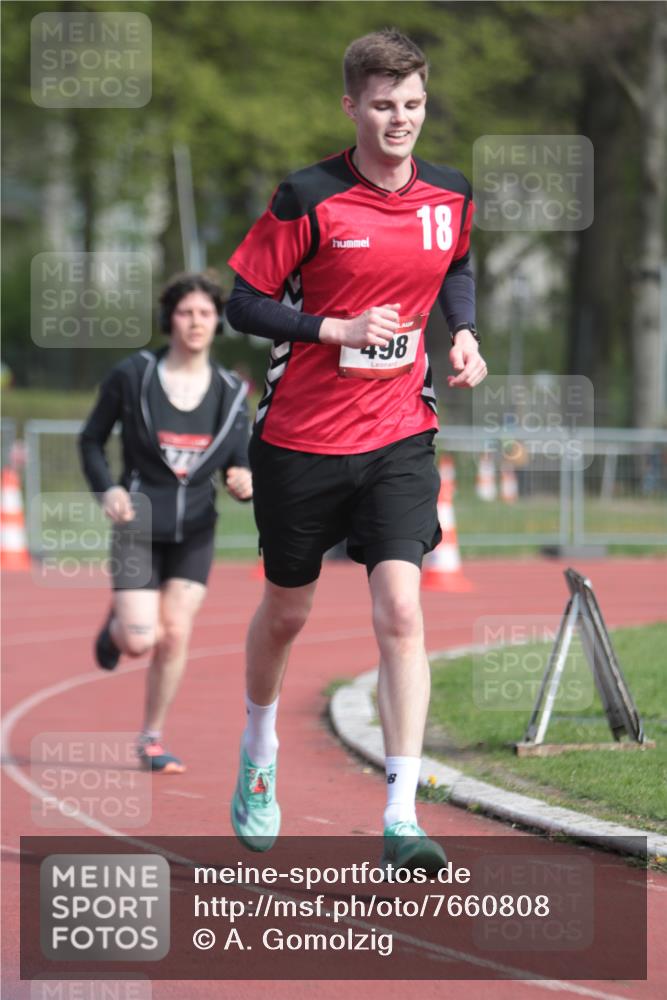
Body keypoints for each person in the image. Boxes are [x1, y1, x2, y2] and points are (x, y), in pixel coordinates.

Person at [225, 29, 487, 869]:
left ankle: (403, 815)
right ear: (351, 106)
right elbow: (243, 303)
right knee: (288, 613)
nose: (400, 120)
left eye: (412, 104)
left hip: (399, 432)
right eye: (383, 105)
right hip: (299, 439)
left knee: (402, 611)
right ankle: (259, 751)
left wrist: (465, 333)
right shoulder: (307, 197)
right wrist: (331, 327)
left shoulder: (450, 192)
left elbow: (456, 263)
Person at [79, 272, 252, 773]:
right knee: (140, 639)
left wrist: (244, 479)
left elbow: (239, 462)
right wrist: (107, 489)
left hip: (195, 528)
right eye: (185, 312)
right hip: (138, 524)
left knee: (175, 632)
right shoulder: (132, 375)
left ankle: (152, 738)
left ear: (216, 321)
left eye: (204, 313)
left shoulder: (229, 392)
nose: (195, 322)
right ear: (168, 319)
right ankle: (115, 633)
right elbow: (91, 439)